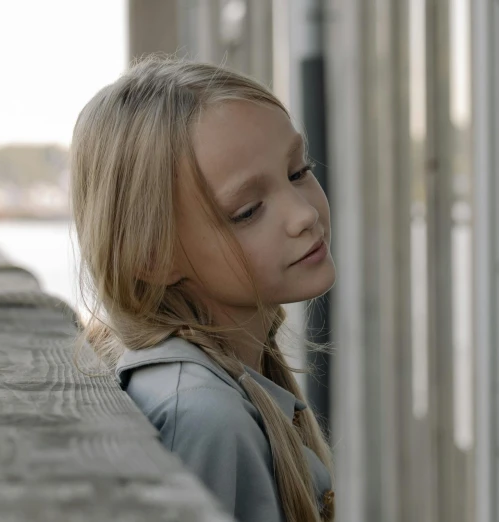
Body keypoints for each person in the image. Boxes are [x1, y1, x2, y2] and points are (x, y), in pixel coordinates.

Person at [69, 56, 336, 522]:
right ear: (151, 257)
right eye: (248, 210)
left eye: (298, 171)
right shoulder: (205, 420)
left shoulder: (214, 389)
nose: (304, 215)